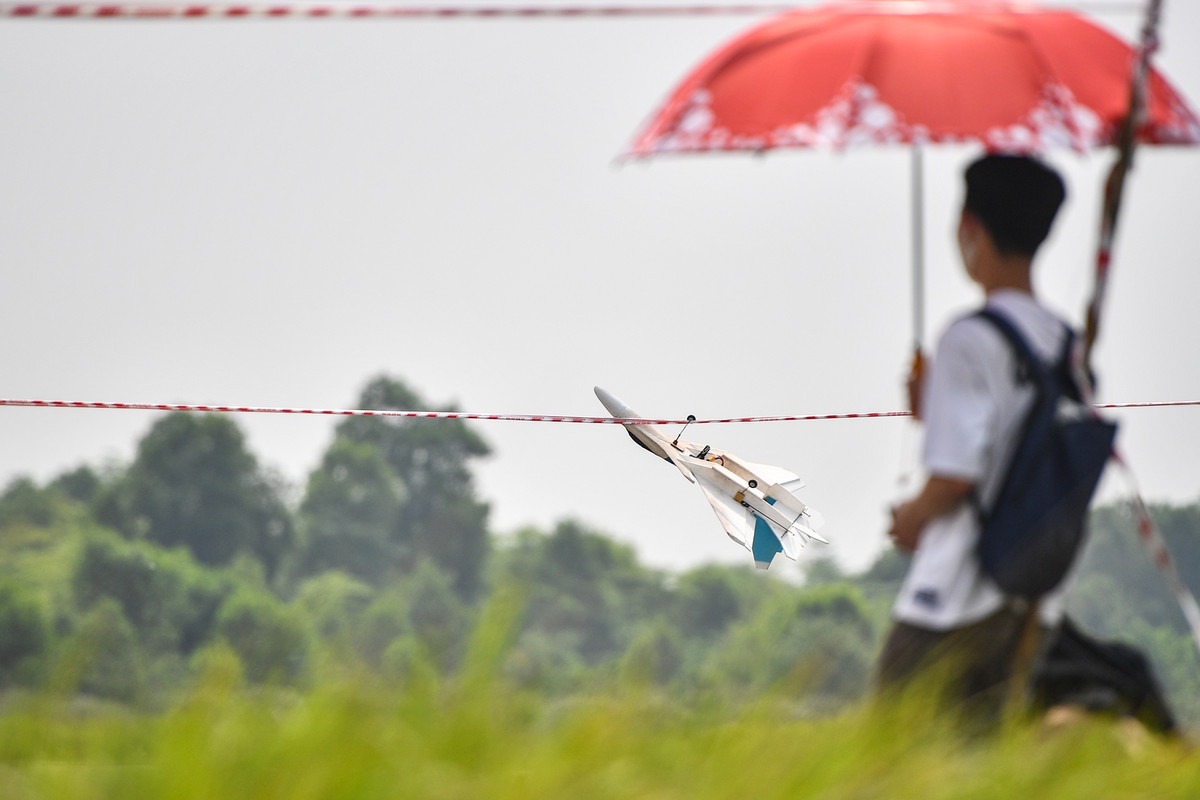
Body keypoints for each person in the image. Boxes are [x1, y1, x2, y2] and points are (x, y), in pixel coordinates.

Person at [876, 153, 1069, 722]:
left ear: (971, 228)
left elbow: (957, 476)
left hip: (952, 597)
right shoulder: (1063, 341)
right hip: (1031, 599)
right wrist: (933, 407)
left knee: (886, 765)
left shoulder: (968, 337)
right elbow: (1018, 445)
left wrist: (911, 516)